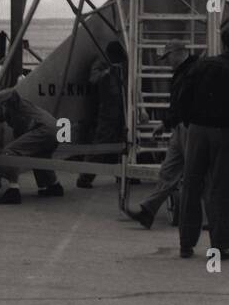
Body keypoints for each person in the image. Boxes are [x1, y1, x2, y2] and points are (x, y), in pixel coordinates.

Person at [177, 28, 229, 259]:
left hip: (198, 130)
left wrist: (188, 121)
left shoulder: (201, 66)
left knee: (192, 185)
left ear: (222, 43)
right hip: (226, 133)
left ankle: (186, 243)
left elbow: (184, 95)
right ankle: (221, 245)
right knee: (224, 190)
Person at [126, 41, 198, 229]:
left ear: (178, 53)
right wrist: (166, 124)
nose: (167, 62)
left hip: (188, 127)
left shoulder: (190, 72)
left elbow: (182, 103)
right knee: (169, 170)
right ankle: (148, 211)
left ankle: (200, 216)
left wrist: (167, 123)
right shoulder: (187, 71)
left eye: (168, 57)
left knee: (189, 172)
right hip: (181, 127)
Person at [0, 85, 64, 205]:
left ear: (2, 103)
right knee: (39, 156)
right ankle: (54, 186)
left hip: (44, 128)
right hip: (54, 129)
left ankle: (13, 191)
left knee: (10, 152)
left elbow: (10, 91)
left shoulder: (16, 103)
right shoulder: (12, 116)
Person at [77, 41, 128, 188]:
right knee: (101, 144)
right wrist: (108, 71)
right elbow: (93, 79)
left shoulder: (123, 63)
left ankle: (122, 174)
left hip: (122, 109)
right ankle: (85, 177)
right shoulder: (102, 63)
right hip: (108, 109)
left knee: (124, 142)